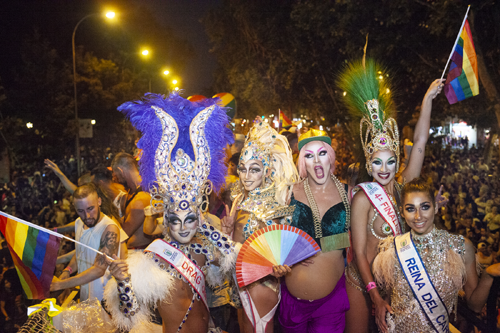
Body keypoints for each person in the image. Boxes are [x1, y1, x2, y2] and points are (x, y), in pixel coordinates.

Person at [103, 93, 240, 332]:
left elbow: (236, 280)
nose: (184, 227)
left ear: (198, 218)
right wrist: (123, 281)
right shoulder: (154, 259)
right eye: (176, 220)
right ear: (167, 220)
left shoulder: (203, 249)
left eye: (189, 219)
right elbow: (131, 313)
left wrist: (226, 241)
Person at [339, 59, 445, 332]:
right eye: (377, 162)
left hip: (394, 283)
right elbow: (360, 253)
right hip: (362, 284)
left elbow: (420, 142)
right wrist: (373, 294)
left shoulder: (403, 189)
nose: (383, 169)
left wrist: (427, 101)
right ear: (368, 164)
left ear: (398, 162)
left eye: (390, 162)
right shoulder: (363, 198)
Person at [373, 178, 500, 332]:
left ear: (435, 207)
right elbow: (391, 295)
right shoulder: (392, 250)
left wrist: (487, 275)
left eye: (425, 207)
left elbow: (475, 305)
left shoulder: (459, 247)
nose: (418, 216)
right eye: (411, 208)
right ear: (402, 212)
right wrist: (381, 301)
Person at [225, 120, 299, 333]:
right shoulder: (238, 200)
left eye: (254, 169)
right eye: (243, 169)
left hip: (261, 284)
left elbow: (282, 250)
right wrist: (226, 231)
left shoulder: (276, 203)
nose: (247, 176)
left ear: (267, 171)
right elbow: (234, 245)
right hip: (238, 282)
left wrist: (280, 265)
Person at [279, 128, 351, 333]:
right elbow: (274, 238)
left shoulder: (349, 194)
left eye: (322, 153)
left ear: (331, 156)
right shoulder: (288, 193)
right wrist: (287, 255)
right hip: (291, 304)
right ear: (302, 162)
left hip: (331, 303)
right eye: (309, 156)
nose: (317, 161)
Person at [50, 183, 128, 302]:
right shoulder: (78, 223)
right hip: (86, 297)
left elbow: (98, 269)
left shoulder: (109, 228)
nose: (87, 216)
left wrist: (60, 284)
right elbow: (81, 252)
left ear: (99, 202)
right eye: (80, 211)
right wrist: (68, 270)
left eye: (90, 209)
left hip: (104, 300)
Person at [111, 152, 152, 250]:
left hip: (139, 254)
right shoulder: (134, 192)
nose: (116, 178)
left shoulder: (141, 199)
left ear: (121, 171)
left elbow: (123, 234)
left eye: (116, 174)